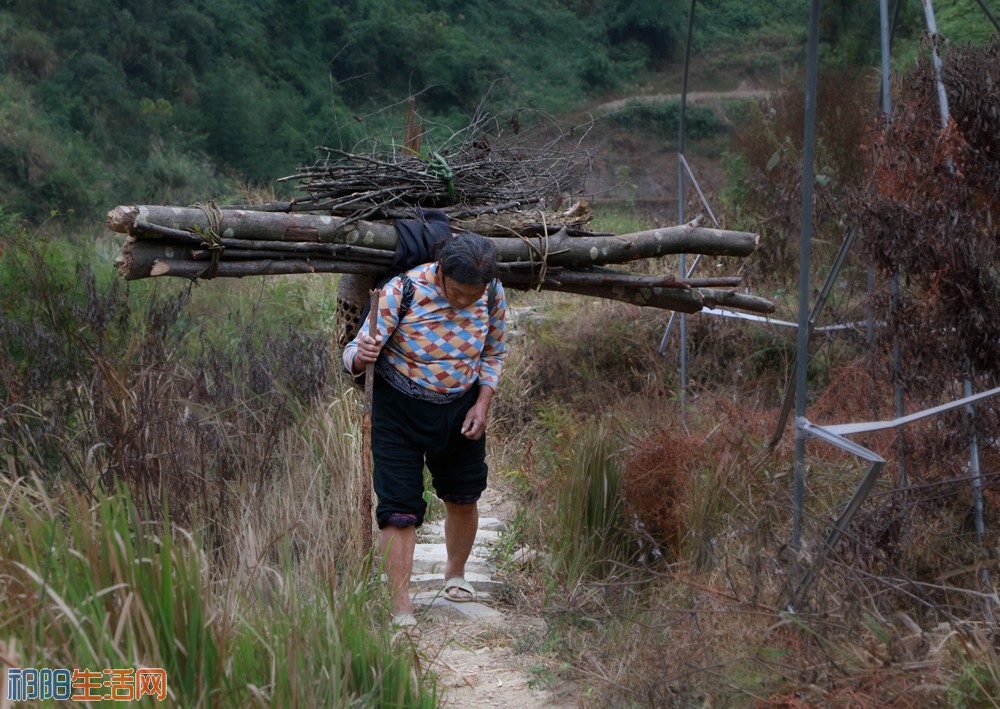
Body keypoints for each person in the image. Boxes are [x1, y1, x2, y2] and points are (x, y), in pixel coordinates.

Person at [342, 233, 507, 626]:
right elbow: (352, 352)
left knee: (464, 496)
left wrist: (482, 405)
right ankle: (401, 608)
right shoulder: (403, 289)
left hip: (462, 408)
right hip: (398, 410)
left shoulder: (493, 293)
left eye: (473, 294)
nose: (465, 301)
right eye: (457, 292)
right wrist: (360, 356)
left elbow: (494, 351)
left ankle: (456, 575)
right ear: (441, 271)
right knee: (398, 510)